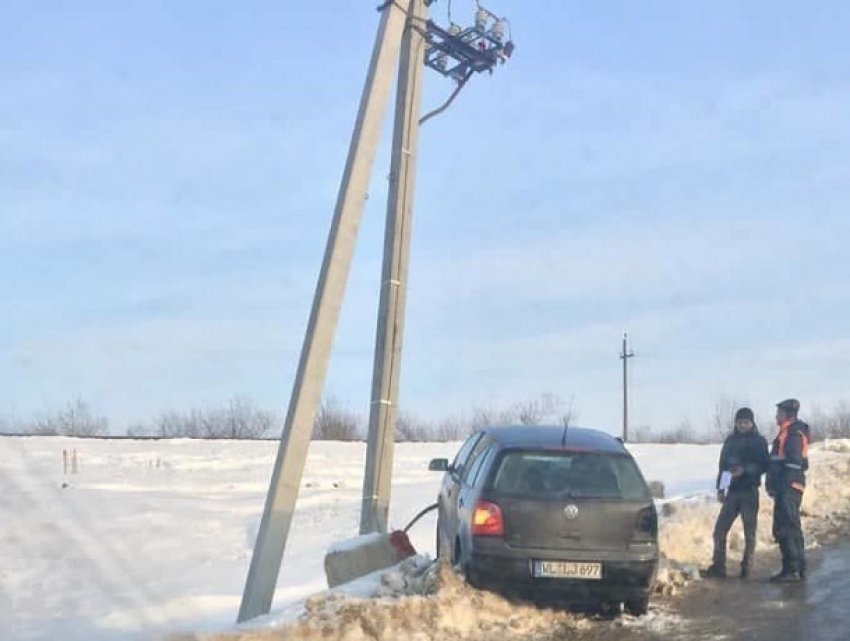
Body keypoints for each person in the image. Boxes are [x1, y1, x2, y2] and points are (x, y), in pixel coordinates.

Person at [703, 407, 770, 579]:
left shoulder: (759, 441)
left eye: (746, 422)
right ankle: (719, 566)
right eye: (739, 422)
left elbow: (764, 465)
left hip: (749, 490)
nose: (742, 425)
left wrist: (745, 470)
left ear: (752, 423)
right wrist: (721, 488)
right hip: (732, 492)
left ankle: (747, 567)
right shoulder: (730, 441)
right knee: (719, 530)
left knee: (750, 532)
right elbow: (723, 466)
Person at [766, 398, 811, 583]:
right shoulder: (786, 432)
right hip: (788, 485)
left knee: (787, 527)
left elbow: (794, 461)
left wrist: (780, 481)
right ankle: (795, 568)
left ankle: (792, 569)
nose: (776, 416)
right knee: (788, 526)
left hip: (789, 485)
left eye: (779, 413)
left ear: (788, 414)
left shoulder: (792, 432)